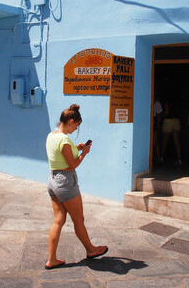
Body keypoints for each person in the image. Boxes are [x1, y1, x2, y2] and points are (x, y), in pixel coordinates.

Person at [45, 104, 108, 269]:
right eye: (76, 125)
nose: (76, 129)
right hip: (65, 182)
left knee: (58, 220)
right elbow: (72, 164)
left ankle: (52, 259)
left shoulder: (52, 135)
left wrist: (77, 147)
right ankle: (91, 250)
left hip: (52, 180)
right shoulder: (64, 139)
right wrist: (84, 153)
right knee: (78, 219)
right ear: (71, 121)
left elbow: (60, 155)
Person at [161, 97, 182, 166]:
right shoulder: (178, 99)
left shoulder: (166, 98)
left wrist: (161, 116)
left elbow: (166, 111)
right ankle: (179, 159)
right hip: (176, 120)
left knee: (164, 141)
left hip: (168, 121)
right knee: (177, 142)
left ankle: (161, 157)